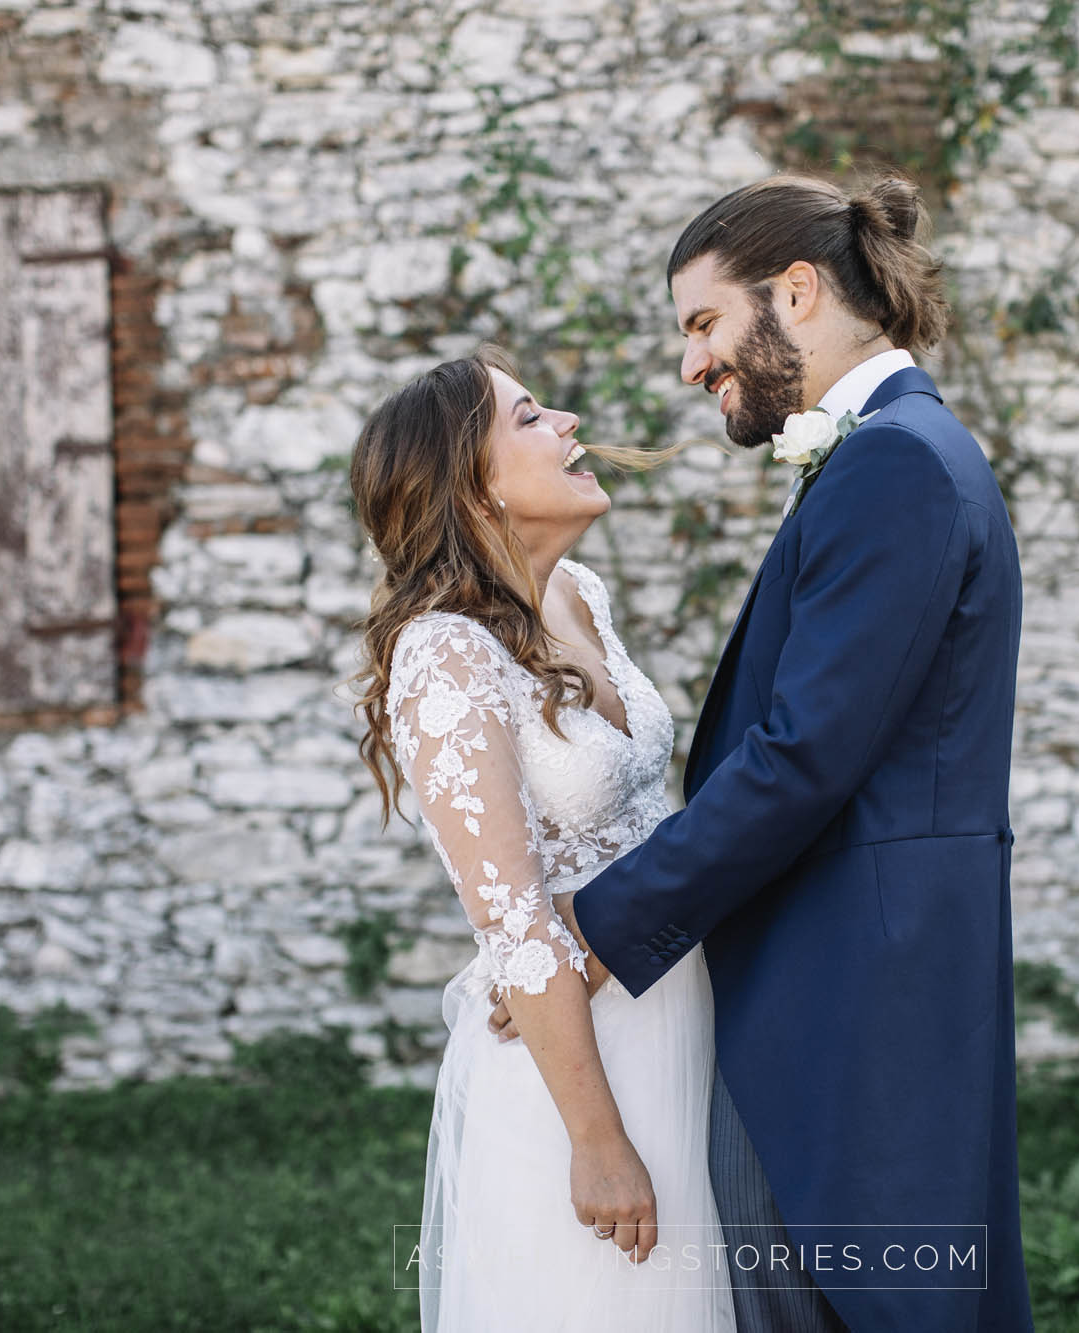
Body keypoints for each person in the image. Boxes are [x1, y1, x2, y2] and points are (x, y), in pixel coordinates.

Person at [492, 173, 1034, 1331]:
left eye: (702, 323)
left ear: (795, 293)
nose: (690, 366)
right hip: (874, 979)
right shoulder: (902, 453)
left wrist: (594, 928)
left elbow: (800, 760)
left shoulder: (893, 465)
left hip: (853, 1007)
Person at [349, 348, 735, 1331]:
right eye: (528, 418)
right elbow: (515, 925)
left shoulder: (580, 596)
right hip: (578, 1068)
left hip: (673, 1014)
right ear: (471, 488)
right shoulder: (444, 654)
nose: (567, 421)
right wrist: (597, 1140)